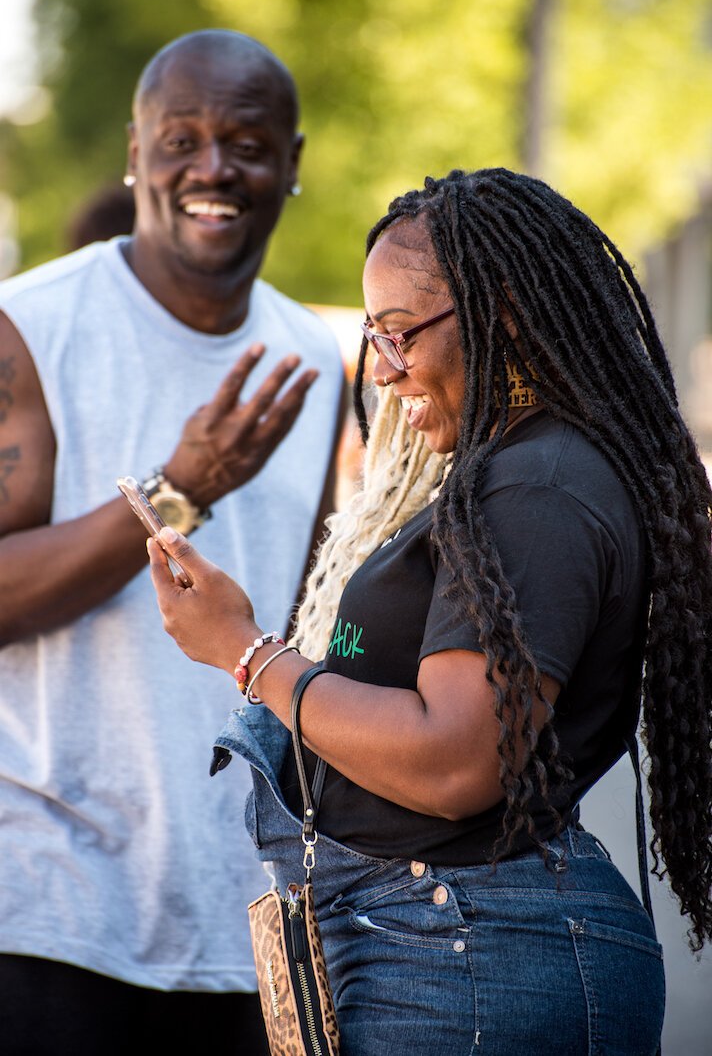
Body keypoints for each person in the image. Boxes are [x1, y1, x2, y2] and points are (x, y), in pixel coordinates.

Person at [149, 168, 712, 1054]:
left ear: (506, 312)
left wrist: (247, 652)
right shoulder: (528, 469)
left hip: (467, 955)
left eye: (401, 331)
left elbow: (454, 759)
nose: (383, 368)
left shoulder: (537, 487)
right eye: (374, 334)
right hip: (449, 940)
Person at [0, 29, 344, 1055]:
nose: (211, 167)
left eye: (245, 140)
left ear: (291, 163)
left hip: (246, 918)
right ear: (135, 150)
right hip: (46, 910)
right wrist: (179, 489)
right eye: (180, 137)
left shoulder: (315, 356)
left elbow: (316, 618)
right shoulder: (30, 324)